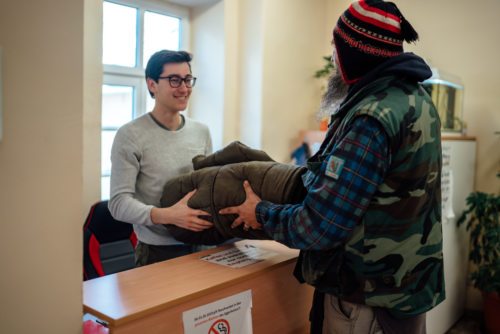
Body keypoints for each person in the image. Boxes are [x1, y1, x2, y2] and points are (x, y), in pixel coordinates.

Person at [220, 1, 445, 333]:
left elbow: (321, 226)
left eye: (336, 47)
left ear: (356, 52)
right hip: (403, 293)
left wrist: (261, 213)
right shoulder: (416, 100)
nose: (334, 60)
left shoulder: (371, 118)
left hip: (366, 302)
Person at [109, 50, 214, 267]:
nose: (184, 88)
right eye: (174, 80)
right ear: (152, 84)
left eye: (187, 79)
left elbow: (209, 186)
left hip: (204, 246)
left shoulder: (201, 131)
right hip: (158, 252)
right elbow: (118, 204)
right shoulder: (130, 135)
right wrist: (168, 215)